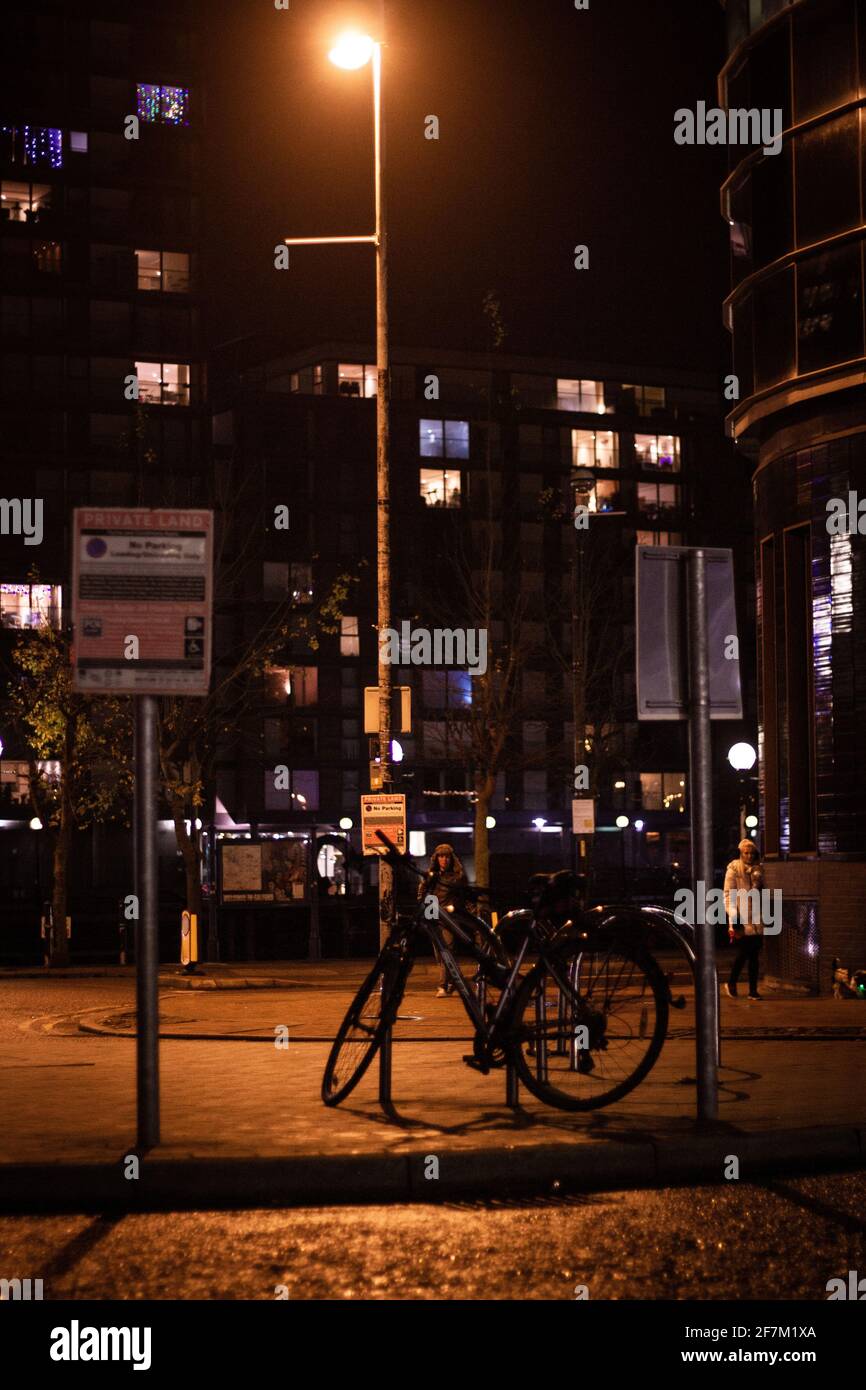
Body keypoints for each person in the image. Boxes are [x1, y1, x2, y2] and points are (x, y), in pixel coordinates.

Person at [418, 843, 468, 997]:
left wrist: (454, 908)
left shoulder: (458, 877)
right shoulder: (431, 876)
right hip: (433, 918)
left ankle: (442, 986)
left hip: (449, 918)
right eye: (441, 856)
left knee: (447, 950)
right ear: (436, 858)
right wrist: (427, 909)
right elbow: (422, 895)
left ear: (451, 858)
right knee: (440, 955)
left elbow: (464, 897)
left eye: (446, 856)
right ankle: (454, 982)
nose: (443, 859)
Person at [723, 838, 765, 1001]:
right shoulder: (733, 869)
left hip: (755, 918)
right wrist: (734, 917)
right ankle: (732, 982)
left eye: (751, 853)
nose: (748, 856)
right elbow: (727, 895)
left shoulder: (758, 870)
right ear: (741, 853)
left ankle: (752, 990)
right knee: (744, 953)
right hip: (740, 918)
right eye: (745, 853)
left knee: (753, 955)